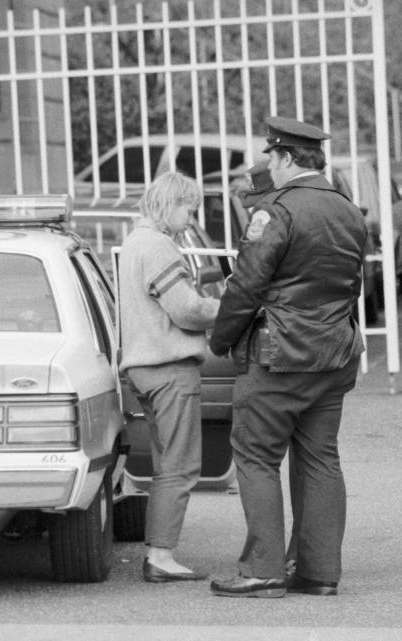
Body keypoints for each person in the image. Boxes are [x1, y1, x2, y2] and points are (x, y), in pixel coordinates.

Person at [208, 116, 367, 598]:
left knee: (255, 456)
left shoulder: (276, 211)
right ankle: (319, 573)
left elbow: (247, 283)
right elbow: (354, 283)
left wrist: (221, 338)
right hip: (335, 352)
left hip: (280, 354)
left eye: (269, 159)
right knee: (320, 459)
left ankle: (263, 569)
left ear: (284, 158)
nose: (267, 168)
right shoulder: (349, 209)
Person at [117, 171, 220, 583]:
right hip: (170, 368)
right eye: (188, 207)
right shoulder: (160, 247)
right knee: (180, 465)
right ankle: (161, 555)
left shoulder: (133, 242)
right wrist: (221, 306)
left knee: (165, 465)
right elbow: (185, 310)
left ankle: (159, 550)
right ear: (168, 204)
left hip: (141, 367)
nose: (191, 217)